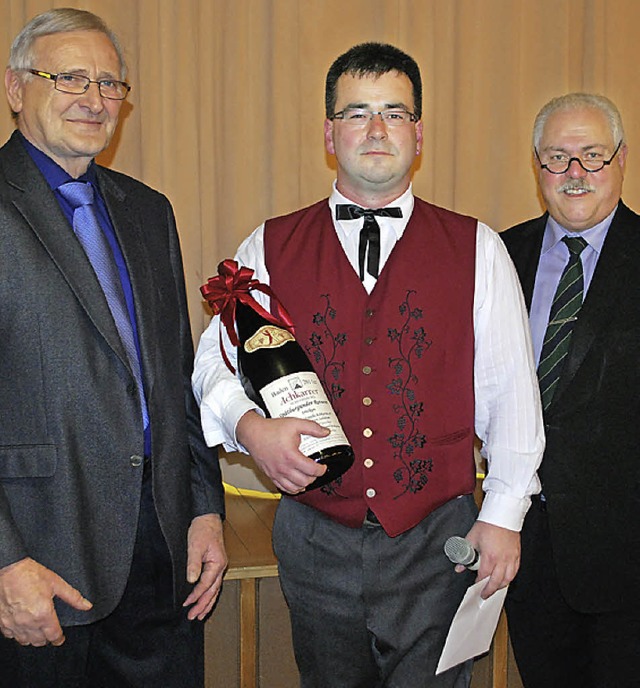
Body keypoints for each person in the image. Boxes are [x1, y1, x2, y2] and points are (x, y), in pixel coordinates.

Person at [193, 42, 543, 687]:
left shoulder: (478, 248)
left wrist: (502, 517)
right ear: (330, 134)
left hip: (438, 540)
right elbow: (213, 364)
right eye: (357, 113)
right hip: (315, 536)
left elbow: (512, 397)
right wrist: (249, 428)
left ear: (418, 132)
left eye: (394, 112)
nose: (376, 129)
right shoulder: (268, 245)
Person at [0, 8, 226, 687]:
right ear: (16, 89)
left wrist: (205, 506)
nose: (95, 99)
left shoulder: (149, 210)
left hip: (163, 556)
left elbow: (175, 378)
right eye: (70, 77)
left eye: (110, 84)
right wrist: (5, 561)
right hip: (41, 558)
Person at [501, 93, 640, 688]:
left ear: (622, 161)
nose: (575, 174)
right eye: (558, 158)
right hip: (526, 550)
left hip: (627, 559)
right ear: (537, 166)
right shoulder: (500, 255)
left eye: (592, 156)